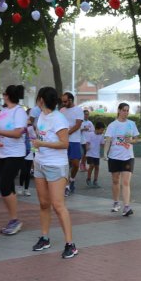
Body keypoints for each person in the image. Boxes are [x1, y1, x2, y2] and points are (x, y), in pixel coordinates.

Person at [31, 87, 78, 259]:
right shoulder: (42, 116)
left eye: (38, 98)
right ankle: (45, 238)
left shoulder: (59, 119)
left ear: (41, 99)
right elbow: (42, 137)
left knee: (58, 205)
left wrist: (42, 144)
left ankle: (70, 244)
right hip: (40, 164)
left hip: (56, 166)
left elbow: (65, 143)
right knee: (44, 203)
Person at [0, 85, 27, 235]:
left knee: (4, 187)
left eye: (4, 94)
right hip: (2, 153)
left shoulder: (19, 112)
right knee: (8, 187)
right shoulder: (4, 111)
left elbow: (17, 133)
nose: (2, 96)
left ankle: (15, 219)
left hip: (15, 154)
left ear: (8, 95)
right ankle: (13, 219)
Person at [103, 103, 139, 216]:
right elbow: (108, 140)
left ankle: (127, 207)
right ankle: (116, 203)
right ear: (119, 110)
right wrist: (105, 153)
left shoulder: (131, 124)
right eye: (124, 110)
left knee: (125, 182)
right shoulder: (112, 125)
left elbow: (136, 139)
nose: (126, 113)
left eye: (127, 110)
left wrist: (131, 141)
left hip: (128, 157)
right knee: (115, 181)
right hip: (114, 157)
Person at [60, 92, 83, 196]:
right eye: (62, 101)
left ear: (71, 100)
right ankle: (66, 186)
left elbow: (78, 125)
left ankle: (72, 179)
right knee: (64, 164)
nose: (63, 103)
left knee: (75, 164)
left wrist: (67, 133)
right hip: (63, 141)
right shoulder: (61, 110)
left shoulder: (78, 110)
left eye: (65, 101)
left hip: (74, 141)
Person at [85, 121, 105, 187]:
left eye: (103, 130)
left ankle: (95, 181)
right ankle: (88, 179)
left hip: (97, 155)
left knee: (97, 167)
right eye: (101, 130)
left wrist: (107, 146)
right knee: (92, 165)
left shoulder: (101, 136)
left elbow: (102, 144)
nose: (102, 131)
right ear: (97, 129)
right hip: (90, 154)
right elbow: (87, 143)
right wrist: (87, 147)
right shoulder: (90, 134)